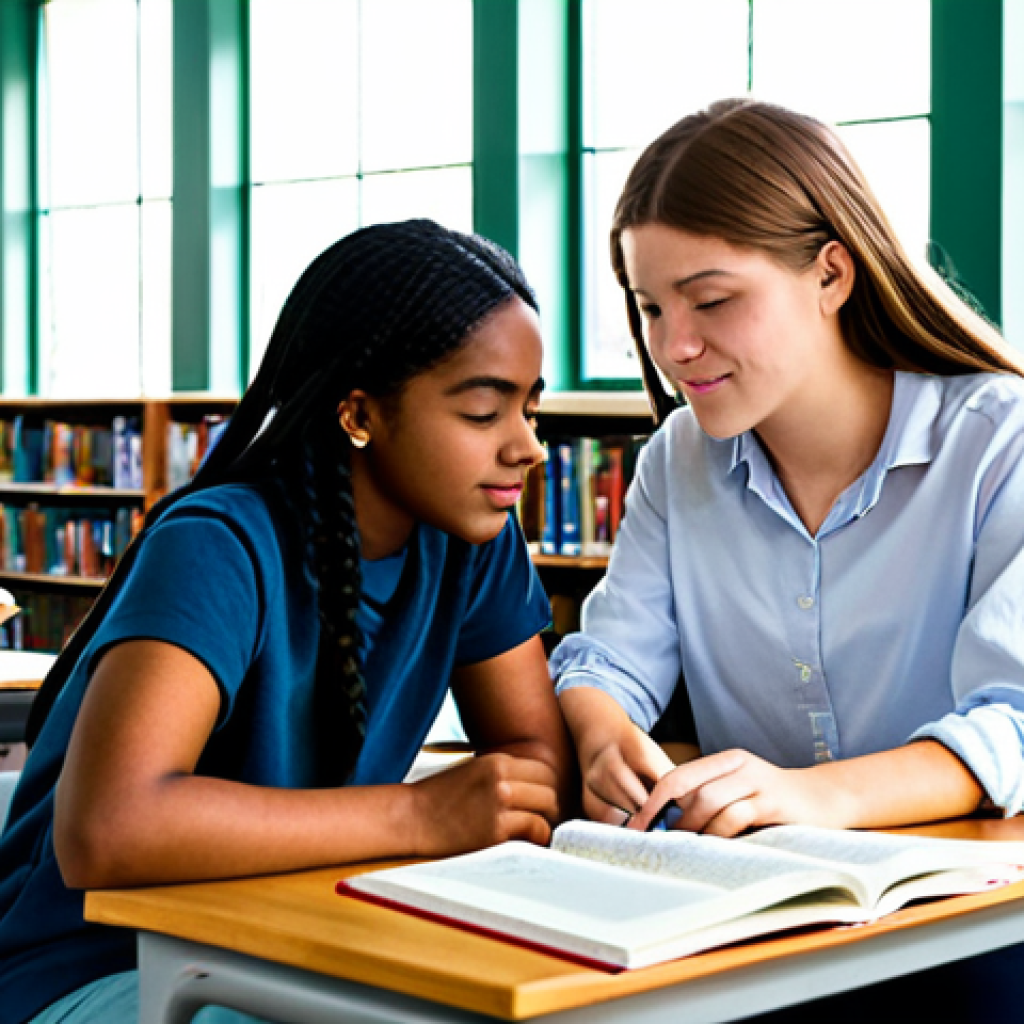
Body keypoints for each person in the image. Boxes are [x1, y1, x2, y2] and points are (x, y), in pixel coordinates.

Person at [0, 219, 574, 1024]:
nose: (529, 448)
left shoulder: (473, 540)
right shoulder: (218, 545)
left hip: (300, 941)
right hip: (95, 969)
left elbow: (531, 766)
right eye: (484, 413)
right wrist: (417, 815)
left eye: (531, 409)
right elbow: (107, 829)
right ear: (360, 413)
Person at [550, 98, 1024, 1021]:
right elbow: (606, 660)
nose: (675, 346)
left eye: (713, 299)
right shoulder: (677, 461)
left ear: (831, 274)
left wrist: (806, 795)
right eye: (651, 307)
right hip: (755, 921)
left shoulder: (999, 445)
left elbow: (1016, 722)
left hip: (975, 924)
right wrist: (606, 736)